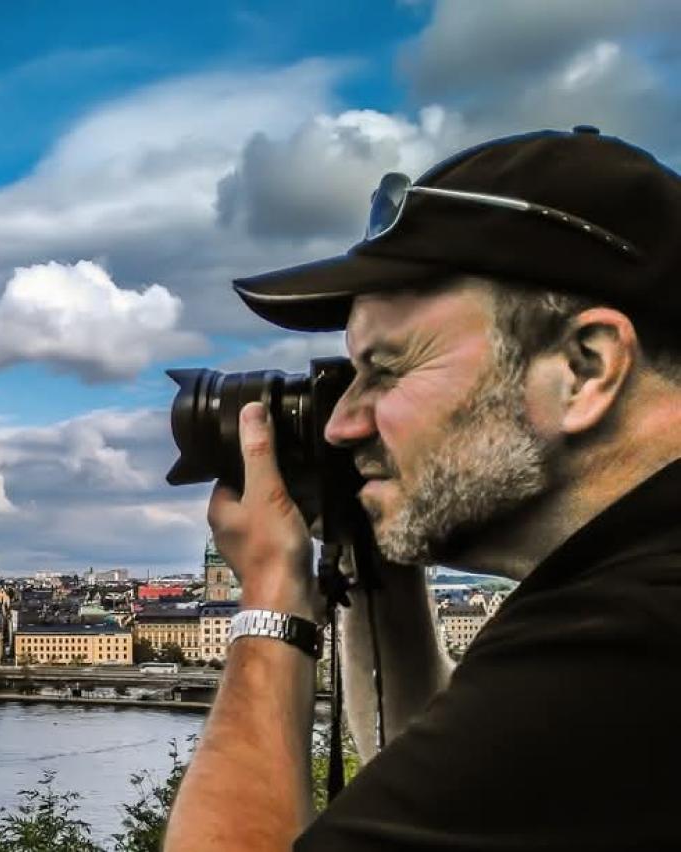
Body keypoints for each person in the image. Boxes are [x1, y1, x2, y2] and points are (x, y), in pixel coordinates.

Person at [163, 127, 681, 851]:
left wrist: (274, 598)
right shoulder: (622, 590)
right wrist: (379, 559)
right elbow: (447, 787)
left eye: (388, 368)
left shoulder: (634, 642)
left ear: (585, 367)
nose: (341, 424)